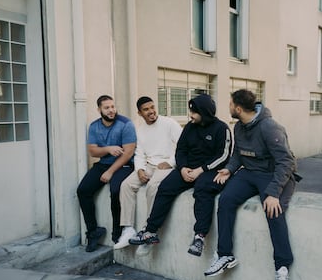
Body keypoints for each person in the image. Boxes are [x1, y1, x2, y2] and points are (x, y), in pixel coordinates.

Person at [205, 89, 297, 280]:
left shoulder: (269, 127)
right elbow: (238, 153)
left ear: (238, 108)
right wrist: (229, 169)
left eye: (229, 104)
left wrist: (274, 192)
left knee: (274, 211)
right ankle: (225, 255)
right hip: (249, 173)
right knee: (226, 199)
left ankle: (282, 266)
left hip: (273, 174)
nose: (228, 107)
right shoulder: (239, 126)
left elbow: (287, 162)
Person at [128, 93, 232, 257]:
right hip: (187, 169)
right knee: (165, 187)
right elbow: (181, 149)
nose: (190, 115)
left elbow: (223, 156)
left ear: (204, 112)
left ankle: (199, 237)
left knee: (202, 190)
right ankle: (151, 230)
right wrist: (183, 168)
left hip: (209, 171)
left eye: (194, 112)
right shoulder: (190, 127)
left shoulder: (222, 128)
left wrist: (200, 170)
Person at [113, 96, 182, 250]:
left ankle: (148, 231)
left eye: (152, 107)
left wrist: (171, 162)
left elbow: (183, 147)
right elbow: (139, 154)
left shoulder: (169, 123)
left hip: (167, 165)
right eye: (146, 109)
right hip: (149, 164)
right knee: (126, 185)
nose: (151, 111)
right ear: (139, 113)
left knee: (152, 186)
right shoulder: (140, 130)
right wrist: (140, 169)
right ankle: (128, 229)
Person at [77, 95, 136, 252]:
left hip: (124, 166)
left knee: (115, 190)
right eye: (107, 107)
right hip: (103, 164)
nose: (111, 110)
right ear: (99, 110)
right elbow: (92, 151)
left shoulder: (126, 124)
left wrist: (110, 171)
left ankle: (117, 232)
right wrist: (109, 149)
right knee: (83, 191)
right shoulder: (94, 126)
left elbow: (128, 153)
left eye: (112, 106)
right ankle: (93, 232)